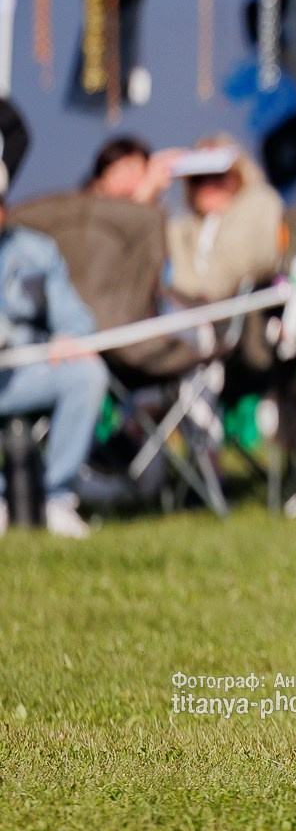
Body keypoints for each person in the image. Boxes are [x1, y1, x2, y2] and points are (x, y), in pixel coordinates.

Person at [0, 161, 110, 539]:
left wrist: (69, 336)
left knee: (87, 373)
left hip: (26, 372)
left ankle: (58, 498)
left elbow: (77, 319)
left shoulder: (35, 251)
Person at [163, 138, 285, 303]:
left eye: (217, 175)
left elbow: (240, 265)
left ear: (239, 174)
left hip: (252, 315)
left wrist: (194, 293)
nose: (208, 186)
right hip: (203, 318)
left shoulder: (259, 201)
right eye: (197, 179)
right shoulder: (185, 226)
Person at [86, 135, 170, 204]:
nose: (127, 178)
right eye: (117, 171)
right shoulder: (84, 211)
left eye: (133, 169)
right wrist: (149, 191)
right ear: (99, 182)